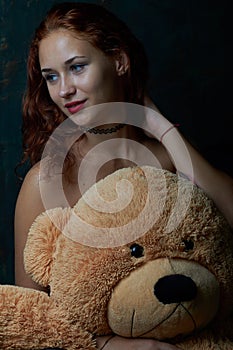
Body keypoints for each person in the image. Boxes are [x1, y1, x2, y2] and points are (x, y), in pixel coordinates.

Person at [14, 2, 233, 350]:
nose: (64, 89)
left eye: (77, 67)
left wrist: (161, 128)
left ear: (118, 61)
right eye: (51, 77)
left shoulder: (167, 159)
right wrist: (109, 346)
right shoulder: (45, 181)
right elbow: (31, 315)